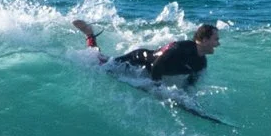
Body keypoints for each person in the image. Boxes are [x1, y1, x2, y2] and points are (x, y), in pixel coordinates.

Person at [72, 18, 220, 85]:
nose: (218, 43)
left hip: (147, 70)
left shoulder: (201, 63)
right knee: (100, 64)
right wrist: (156, 87)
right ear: (204, 40)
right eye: (215, 39)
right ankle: (90, 35)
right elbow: (157, 64)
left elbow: (191, 83)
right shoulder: (181, 47)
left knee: (104, 63)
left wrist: (185, 99)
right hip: (138, 59)